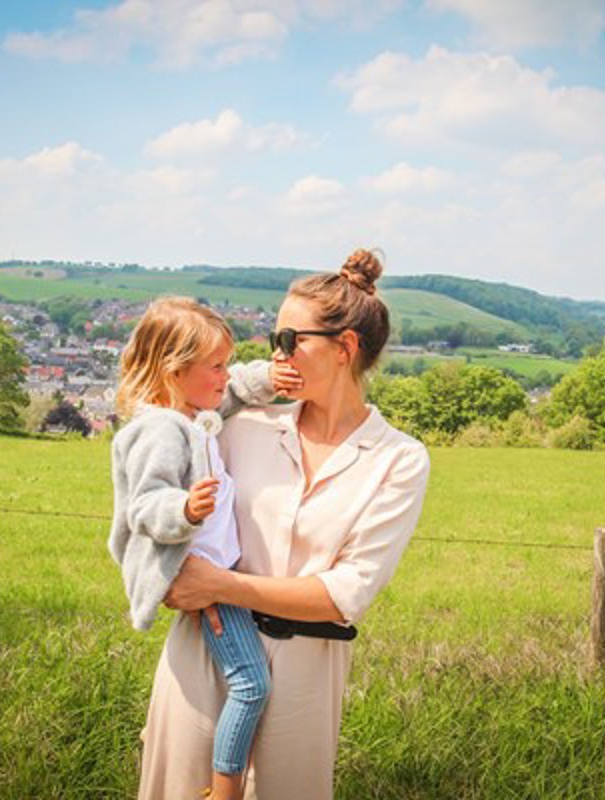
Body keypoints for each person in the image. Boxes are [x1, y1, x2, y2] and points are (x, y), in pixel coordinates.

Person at [137, 250, 431, 800]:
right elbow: (155, 468)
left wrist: (220, 584)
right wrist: (163, 569)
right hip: (205, 653)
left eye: (290, 340)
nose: (278, 354)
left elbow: (347, 593)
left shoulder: (399, 459)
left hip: (305, 678)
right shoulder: (241, 427)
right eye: (276, 339)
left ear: (344, 348)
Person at [108, 297, 303, 800]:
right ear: (175, 370)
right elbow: (144, 504)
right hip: (205, 578)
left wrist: (273, 376)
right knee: (251, 685)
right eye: (214, 366)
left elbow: (237, 389)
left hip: (213, 570)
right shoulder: (161, 430)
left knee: (246, 682)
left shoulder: (191, 413)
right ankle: (224, 789)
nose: (225, 375)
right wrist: (185, 510)